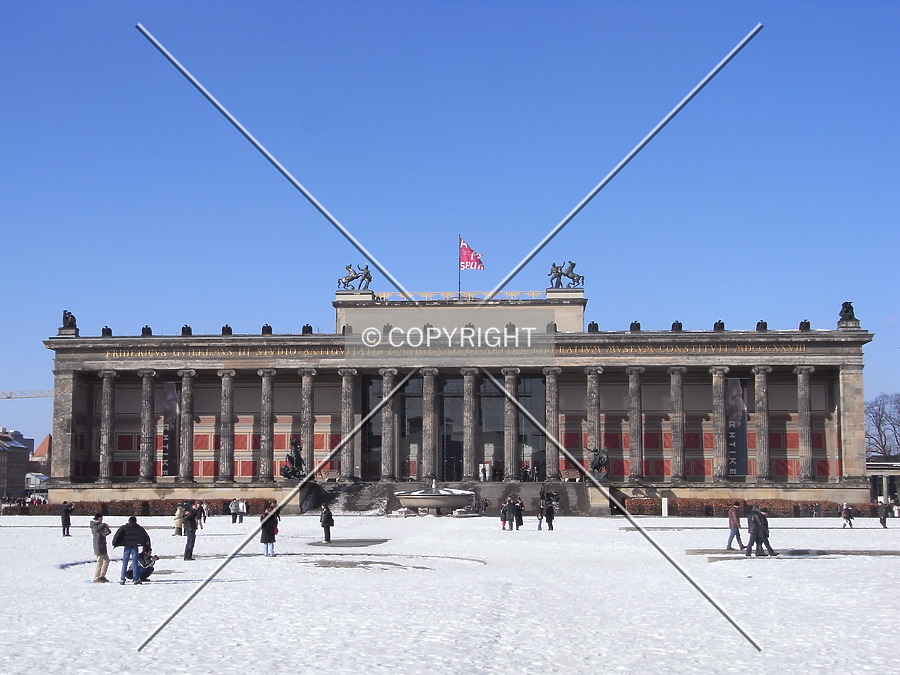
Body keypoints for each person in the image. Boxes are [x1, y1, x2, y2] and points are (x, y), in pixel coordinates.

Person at [112, 516, 151, 584]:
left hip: (126, 546)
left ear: (129, 521)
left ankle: (122, 579)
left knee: (125, 563)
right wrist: (146, 547)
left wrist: (115, 543)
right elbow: (146, 537)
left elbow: (117, 535)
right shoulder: (139, 528)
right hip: (135, 546)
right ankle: (136, 579)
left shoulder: (124, 527)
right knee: (135, 563)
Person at [90, 513, 112, 583]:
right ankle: (96, 577)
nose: (102, 520)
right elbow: (95, 530)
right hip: (98, 546)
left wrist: (107, 529)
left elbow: (107, 533)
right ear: (98, 518)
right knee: (99, 561)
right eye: (101, 518)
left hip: (103, 545)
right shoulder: (94, 525)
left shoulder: (101, 526)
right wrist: (103, 525)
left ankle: (102, 576)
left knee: (106, 560)